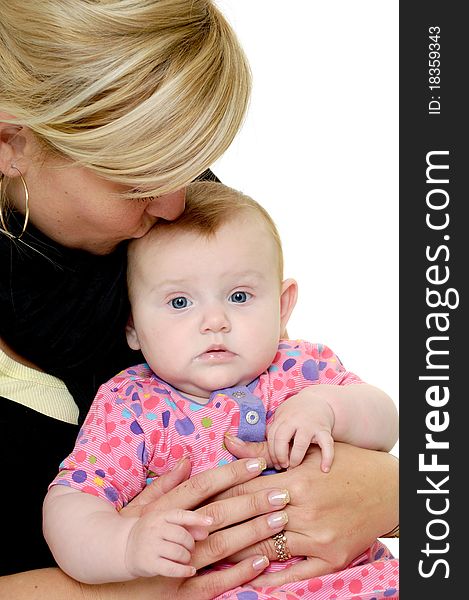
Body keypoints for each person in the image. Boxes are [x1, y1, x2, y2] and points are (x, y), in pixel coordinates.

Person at [0, 1, 399, 598]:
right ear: (10, 145)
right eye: (140, 177)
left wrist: (385, 489)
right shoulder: (129, 400)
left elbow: (347, 433)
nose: (174, 205)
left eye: (190, 165)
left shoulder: (162, 235)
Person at [43, 181, 399, 599]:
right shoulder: (130, 405)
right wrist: (125, 544)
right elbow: (72, 502)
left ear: (281, 305)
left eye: (239, 295)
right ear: (133, 326)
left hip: (360, 583)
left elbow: (384, 421)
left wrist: (325, 407)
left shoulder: (301, 367)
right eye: (179, 302)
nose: (214, 320)